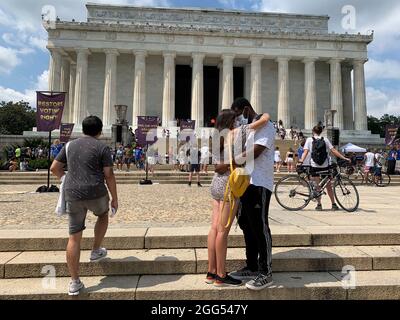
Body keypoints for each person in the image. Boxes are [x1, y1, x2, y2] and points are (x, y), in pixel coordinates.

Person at [50, 115, 118, 296]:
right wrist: (115, 198)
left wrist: (66, 179)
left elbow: (54, 168)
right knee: (103, 214)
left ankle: (74, 282)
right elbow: (109, 174)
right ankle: (96, 250)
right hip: (96, 191)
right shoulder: (102, 147)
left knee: (74, 238)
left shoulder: (69, 145)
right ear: (100, 131)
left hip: (73, 193)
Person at [207, 109, 270, 287]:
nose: (238, 121)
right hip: (229, 184)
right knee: (223, 231)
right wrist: (266, 115)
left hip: (216, 183)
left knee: (213, 229)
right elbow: (261, 122)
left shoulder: (216, 136)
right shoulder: (235, 132)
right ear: (231, 121)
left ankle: (211, 272)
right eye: (235, 119)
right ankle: (221, 275)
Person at [228, 98, 275, 291]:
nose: (238, 119)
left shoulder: (266, 126)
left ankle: (266, 272)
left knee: (260, 225)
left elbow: (256, 151)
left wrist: (232, 159)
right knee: (246, 225)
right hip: (245, 182)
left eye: (239, 115)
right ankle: (252, 265)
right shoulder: (248, 128)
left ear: (246, 110)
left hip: (259, 182)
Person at [298, 125, 350, 211]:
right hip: (325, 165)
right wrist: (343, 158)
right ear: (321, 131)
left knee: (318, 185)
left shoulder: (309, 140)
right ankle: (333, 204)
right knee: (328, 186)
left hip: (314, 165)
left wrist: (300, 161)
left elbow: (305, 152)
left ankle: (319, 205)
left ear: (313, 131)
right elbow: (333, 150)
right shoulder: (325, 139)